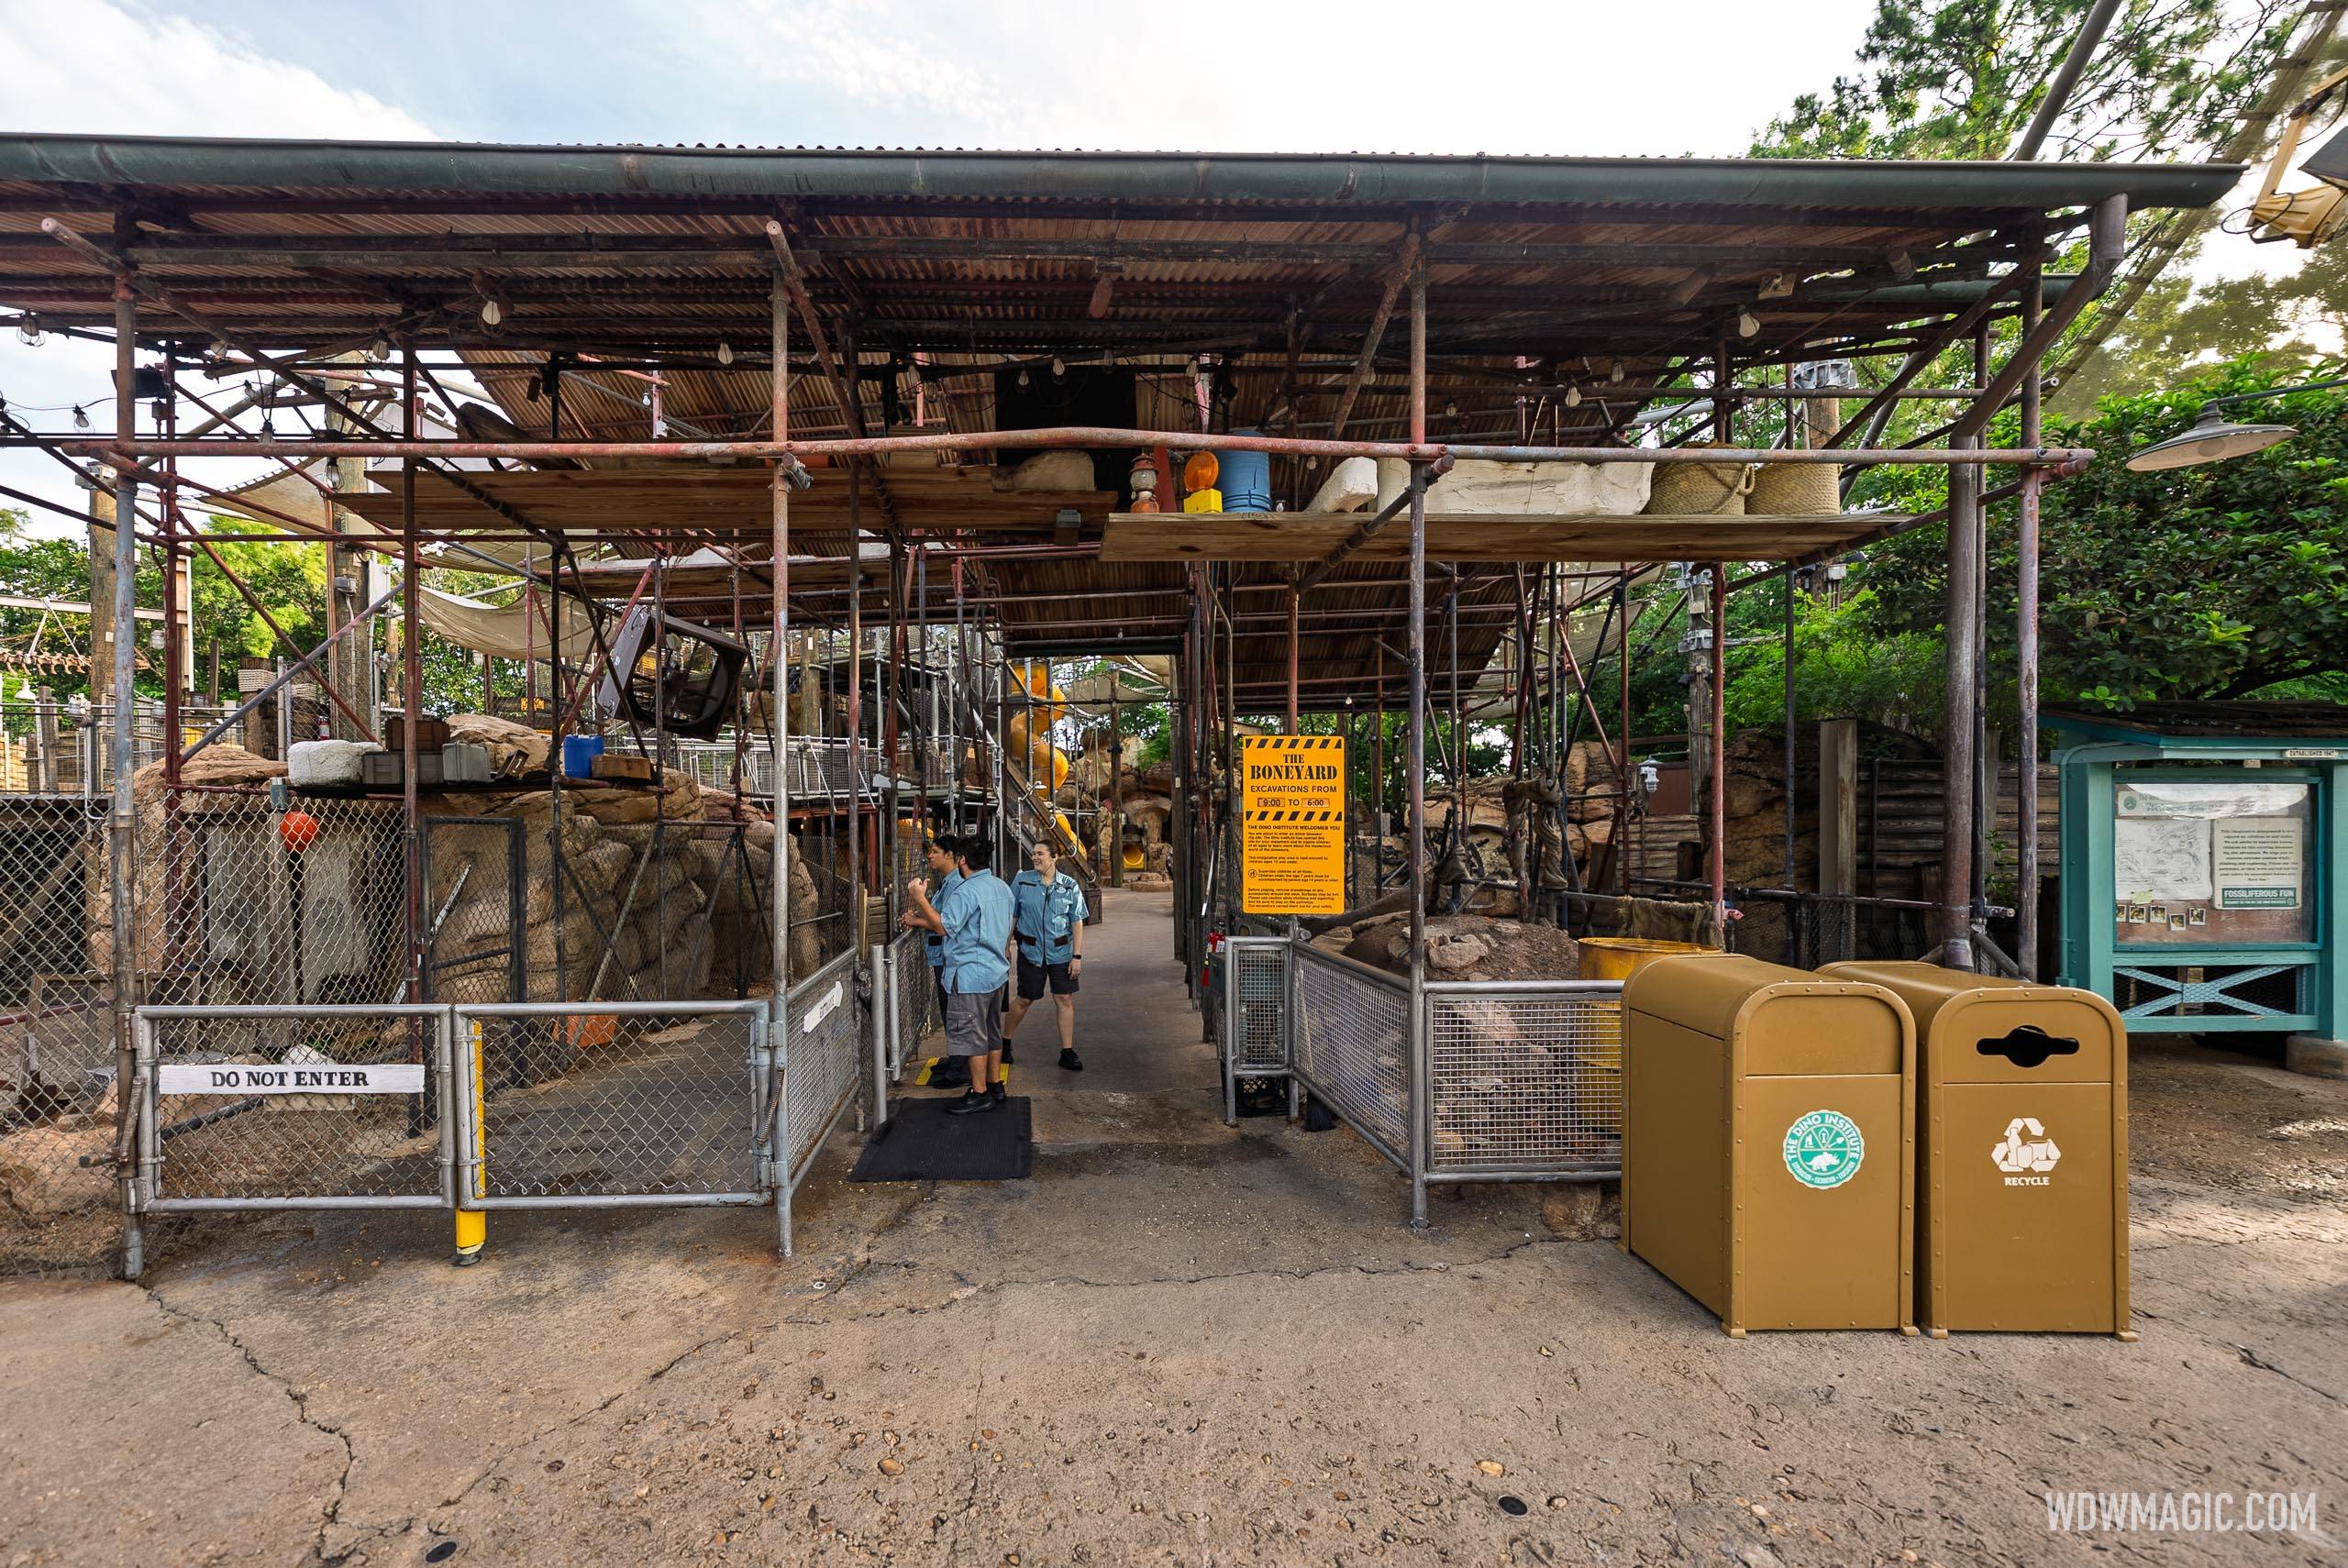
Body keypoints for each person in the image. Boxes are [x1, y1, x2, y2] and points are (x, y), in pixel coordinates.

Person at [906, 835, 1013, 1115]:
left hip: (970, 975)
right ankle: (994, 1086)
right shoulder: (1002, 887)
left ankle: (979, 1094)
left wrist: (919, 897)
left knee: (972, 1036)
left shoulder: (966, 891)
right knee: (992, 1032)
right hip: (996, 972)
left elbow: (944, 926)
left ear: (962, 859)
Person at [1006, 839, 1088, 1071]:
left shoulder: (1070, 886)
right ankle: (1005, 1043)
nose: (1035, 858)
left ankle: (1067, 1051)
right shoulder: (1022, 881)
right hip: (1031, 952)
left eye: (1040, 854)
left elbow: (1077, 921)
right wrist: (1006, 946)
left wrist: (1077, 956)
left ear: (1054, 857)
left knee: (1064, 999)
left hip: (1061, 953)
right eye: (1033, 854)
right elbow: (1013, 916)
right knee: (1025, 998)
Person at [902, 832, 967, 1089]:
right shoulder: (946, 883)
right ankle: (956, 1059)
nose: (930, 856)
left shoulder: (955, 884)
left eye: (935, 852)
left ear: (950, 855)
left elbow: (942, 925)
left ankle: (961, 1066)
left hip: (949, 956)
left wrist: (916, 918)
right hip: (941, 956)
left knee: (955, 1010)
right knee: (948, 1010)